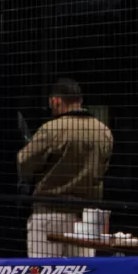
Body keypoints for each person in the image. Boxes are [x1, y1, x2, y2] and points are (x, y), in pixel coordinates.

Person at [18, 78, 113, 256]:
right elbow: (103, 169)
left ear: (56, 101)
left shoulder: (51, 129)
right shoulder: (104, 131)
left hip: (49, 213)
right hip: (85, 218)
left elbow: (24, 163)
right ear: (80, 100)